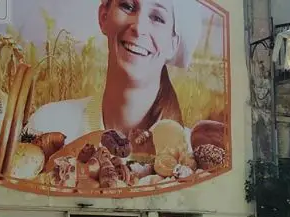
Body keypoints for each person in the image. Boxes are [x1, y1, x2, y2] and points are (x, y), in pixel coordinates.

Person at [24, 0, 201, 143]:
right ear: (103, 16)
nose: (139, 27)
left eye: (157, 17)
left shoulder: (190, 153)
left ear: (174, 44)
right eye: (128, 6)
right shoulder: (48, 125)